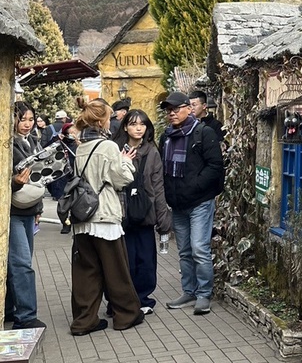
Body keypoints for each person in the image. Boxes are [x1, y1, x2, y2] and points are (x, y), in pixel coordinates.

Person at [69, 97, 144, 336]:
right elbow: (121, 179)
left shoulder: (81, 148)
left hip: (83, 217)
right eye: (109, 118)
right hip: (104, 215)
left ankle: (84, 320)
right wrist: (127, 162)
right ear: (101, 121)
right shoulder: (108, 146)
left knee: (86, 273)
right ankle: (126, 315)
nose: (111, 122)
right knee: (116, 269)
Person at [159, 91, 224, 315]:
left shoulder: (203, 133)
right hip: (177, 204)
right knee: (185, 251)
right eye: (169, 110)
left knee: (199, 249)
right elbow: (163, 169)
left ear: (188, 108)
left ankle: (204, 294)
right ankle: (189, 291)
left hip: (200, 202)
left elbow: (215, 166)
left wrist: (195, 186)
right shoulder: (166, 137)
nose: (172, 113)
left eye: (176, 109)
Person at [112, 109, 172, 315]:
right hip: (121, 213)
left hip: (145, 213)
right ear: (125, 127)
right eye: (133, 124)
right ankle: (120, 301)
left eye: (142, 124)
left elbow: (158, 187)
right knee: (123, 260)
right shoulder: (114, 149)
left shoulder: (152, 152)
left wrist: (163, 220)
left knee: (145, 260)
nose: (138, 128)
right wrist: (122, 162)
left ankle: (142, 298)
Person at [8, 101, 47, 330]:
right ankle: (25, 316)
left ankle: (10, 309)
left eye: (30, 119)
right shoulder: (7, 143)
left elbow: (38, 178)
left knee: (19, 263)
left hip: (29, 210)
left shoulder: (32, 141)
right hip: (12, 212)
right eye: (22, 119)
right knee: (21, 263)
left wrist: (38, 209)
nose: (27, 124)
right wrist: (14, 183)